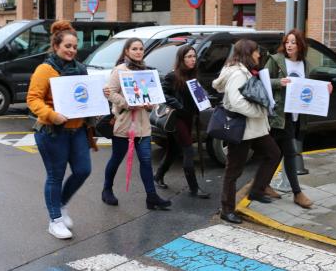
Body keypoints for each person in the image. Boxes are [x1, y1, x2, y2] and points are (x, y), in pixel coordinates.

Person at [27, 21, 92, 239]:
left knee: (83, 170)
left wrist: (100, 95)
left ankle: (61, 204)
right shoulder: (45, 69)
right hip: (52, 132)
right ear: (56, 46)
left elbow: (85, 95)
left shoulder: (81, 68)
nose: (72, 50)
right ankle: (54, 220)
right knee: (55, 176)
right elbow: (33, 99)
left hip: (78, 130)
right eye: (67, 46)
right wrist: (52, 115)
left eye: (74, 46)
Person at [212, 39, 281, 224]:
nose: (259, 55)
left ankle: (257, 190)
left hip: (254, 128)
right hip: (242, 128)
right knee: (233, 170)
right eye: (256, 52)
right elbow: (237, 102)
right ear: (247, 53)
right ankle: (227, 210)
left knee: (273, 154)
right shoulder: (238, 74)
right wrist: (259, 111)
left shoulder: (245, 70)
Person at [265, 29, 333, 209]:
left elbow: (310, 89)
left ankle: (263, 185)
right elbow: (262, 82)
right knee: (288, 152)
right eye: (287, 41)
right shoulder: (276, 60)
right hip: (279, 114)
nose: (289, 45)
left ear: (300, 45)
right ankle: (297, 193)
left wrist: (326, 89)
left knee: (276, 153)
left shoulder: (306, 66)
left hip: (296, 116)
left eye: (293, 42)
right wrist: (279, 82)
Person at [102, 38, 171, 211]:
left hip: (143, 125)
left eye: (141, 48)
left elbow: (150, 96)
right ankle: (107, 189)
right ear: (127, 51)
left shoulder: (146, 72)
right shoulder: (119, 70)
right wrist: (127, 103)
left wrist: (150, 104)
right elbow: (109, 93)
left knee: (146, 161)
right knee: (116, 159)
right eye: (134, 49)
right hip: (124, 124)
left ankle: (151, 197)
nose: (139, 51)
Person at [153, 45, 210, 199]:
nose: (193, 59)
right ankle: (194, 188)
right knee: (188, 150)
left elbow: (196, 94)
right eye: (189, 57)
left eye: (194, 56)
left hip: (189, 118)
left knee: (173, 150)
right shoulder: (173, 76)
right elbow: (163, 94)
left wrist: (204, 98)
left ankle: (158, 176)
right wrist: (178, 105)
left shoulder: (193, 75)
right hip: (176, 118)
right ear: (181, 59)